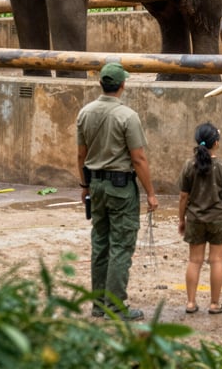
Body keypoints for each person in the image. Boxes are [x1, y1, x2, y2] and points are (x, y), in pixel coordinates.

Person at [76, 62, 159, 320]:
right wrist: (151, 193)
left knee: (100, 243)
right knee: (121, 246)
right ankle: (115, 306)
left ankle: (98, 304)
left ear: (101, 83)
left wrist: (85, 185)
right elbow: (139, 159)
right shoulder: (127, 116)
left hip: (96, 186)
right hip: (121, 188)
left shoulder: (85, 113)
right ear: (123, 84)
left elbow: (81, 155)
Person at [178, 122, 222, 315]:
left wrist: (182, 219)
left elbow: (183, 197)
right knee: (216, 261)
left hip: (195, 219)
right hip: (218, 219)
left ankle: (190, 303)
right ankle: (214, 304)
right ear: (217, 143)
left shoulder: (189, 165)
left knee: (194, 261)